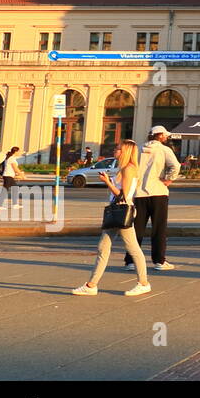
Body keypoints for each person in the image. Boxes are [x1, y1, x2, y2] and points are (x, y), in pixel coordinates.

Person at [72, 140, 151, 297]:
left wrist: (107, 182)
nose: (115, 150)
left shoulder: (129, 169)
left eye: (118, 149)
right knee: (104, 247)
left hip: (121, 211)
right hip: (118, 211)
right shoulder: (124, 168)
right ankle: (91, 285)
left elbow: (122, 195)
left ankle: (143, 283)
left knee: (132, 249)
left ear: (126, 152)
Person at [125, 126, 181, 272]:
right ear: (160, 136)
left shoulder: (139, 149)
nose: (167, 138)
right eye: (165, 136)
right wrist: (168, 179)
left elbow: (130, 166)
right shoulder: (164, 150)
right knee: (159, 228)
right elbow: (175, 165)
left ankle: (130, 261)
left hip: (138, 194)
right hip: (158, 192)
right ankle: (159, 261)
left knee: (136, 229)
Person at [0, 147, 24, 213]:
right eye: (19, 151)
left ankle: (14, 204)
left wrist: (18, 174)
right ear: (15, 152)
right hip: (8, 176)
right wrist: (22, 175)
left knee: (14, 188)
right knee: (6, 190)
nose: (20, 153)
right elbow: (15, 169)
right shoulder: (12, 159)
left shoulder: (10, 158)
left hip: (8, 176)